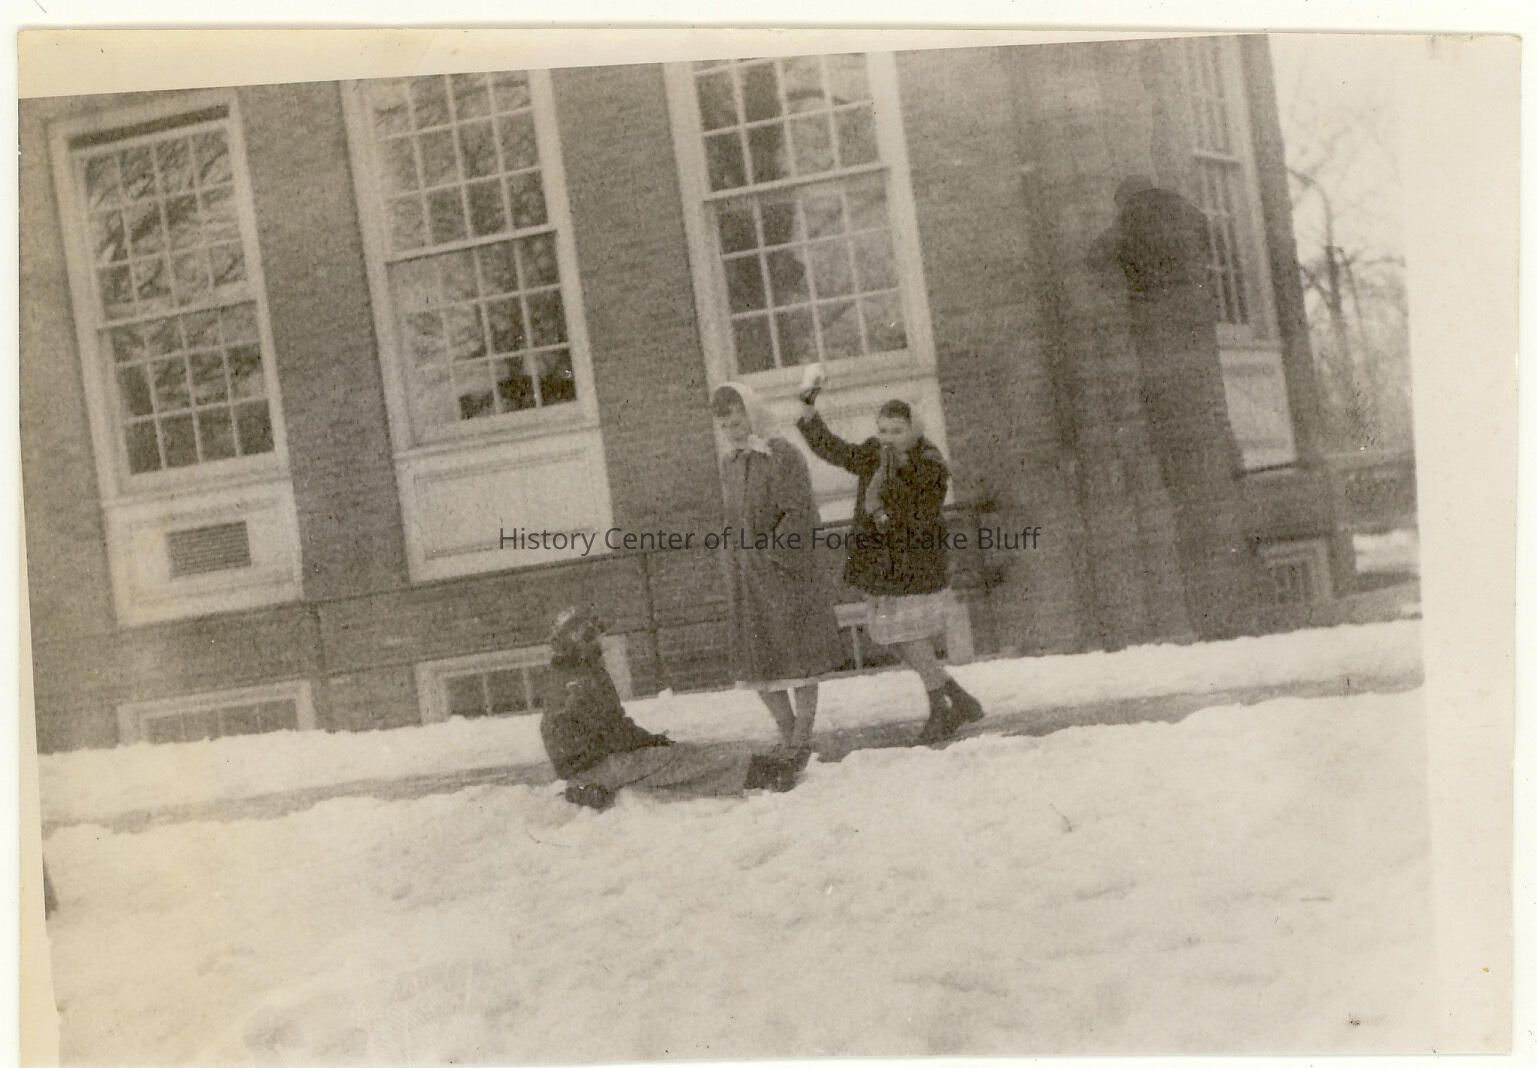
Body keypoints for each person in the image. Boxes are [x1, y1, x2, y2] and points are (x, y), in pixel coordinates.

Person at [797, 396, 984, 744]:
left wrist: (879, 511)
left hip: (912, 564)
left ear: (915, 429)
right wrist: (809, 413)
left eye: (897, 431)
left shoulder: (929, 465)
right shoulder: (875, 454)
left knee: (907, 637)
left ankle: (942, 709)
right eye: (883, 430)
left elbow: (921, 519)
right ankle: (956, 697)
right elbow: (837, 451)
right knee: (889, 637)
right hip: (881, 565)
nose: (888, 438)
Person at [540, 607, 808, 810]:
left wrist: (651, 742)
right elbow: (613, 732)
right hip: (594, 766)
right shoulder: (578, 683)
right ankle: (764, 772)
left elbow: (614, 726)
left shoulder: (583, 672)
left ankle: (757, 766)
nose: (603, 640)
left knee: (677, 758)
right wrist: (651, 743)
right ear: (582, 641)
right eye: (596, 636)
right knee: (676, 762)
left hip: (597, 760)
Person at [712, 381, 845, 753]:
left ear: (753, 415)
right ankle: (786, 731)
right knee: (758, 660)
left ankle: (802, 734)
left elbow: (799, 512)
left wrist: (772, 554)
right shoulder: (730, 463)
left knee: (797, 654)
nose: (731, 432)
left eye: (737, 422)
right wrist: (731, 554)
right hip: (747, 576)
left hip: (785, 572)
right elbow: (731, 516)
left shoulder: (782, 454)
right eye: (724, 426)